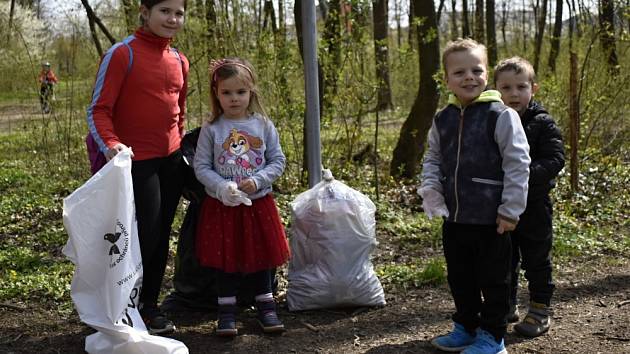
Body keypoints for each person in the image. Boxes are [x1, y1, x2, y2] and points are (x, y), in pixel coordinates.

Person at [419, 38, 530, 354]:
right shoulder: (443, 118)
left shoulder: (501, 115)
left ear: (487, 75)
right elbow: (433, 158)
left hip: (492, 219)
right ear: (447, 80)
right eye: (459, 72)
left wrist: (510, 210)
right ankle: (466, 327)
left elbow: (518, 164)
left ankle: (493, 337)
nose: (469, 77)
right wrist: (431, 191)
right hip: (455, 218)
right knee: (460, 278)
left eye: (476, 70)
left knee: (495, 282)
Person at [86, 0, 189, 335]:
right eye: (165, 11)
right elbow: (98, 110)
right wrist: (113, 145)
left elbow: (179, 112)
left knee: (160, 237)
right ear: (145, 12)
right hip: (134, 163)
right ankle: (118, 304)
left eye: (179, 13)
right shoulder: (122, 54)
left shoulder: (179, 60)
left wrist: (181, 145)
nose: (173, 19)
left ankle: (150, 307)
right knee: (136, 237)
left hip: (170, 161)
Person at [194, 57, 290, 337]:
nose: (234, 98)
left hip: (258, 204)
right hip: (222, 206)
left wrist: (258, 180)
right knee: (226, 256)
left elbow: (277, 160)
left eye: (240, 92)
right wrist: (222, 187)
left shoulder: (262, 125)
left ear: (251, 92)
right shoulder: (211, 128)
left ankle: (266, 306)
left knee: (260, 256)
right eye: (226, 92)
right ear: (217, 94)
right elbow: (201, 166)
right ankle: (226, 311)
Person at [494, 56, 565, 338]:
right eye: (506, 87)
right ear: (495, 90)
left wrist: (521, 175)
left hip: (534, 205)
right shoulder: (494, 120)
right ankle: (506, 304)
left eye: (521, 87)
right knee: (503, 258)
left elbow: (555, 158)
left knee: (536, 258)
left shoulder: (542, 122)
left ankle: (539, 308)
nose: (514, 94)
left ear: (533, 89)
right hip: (502, 206)